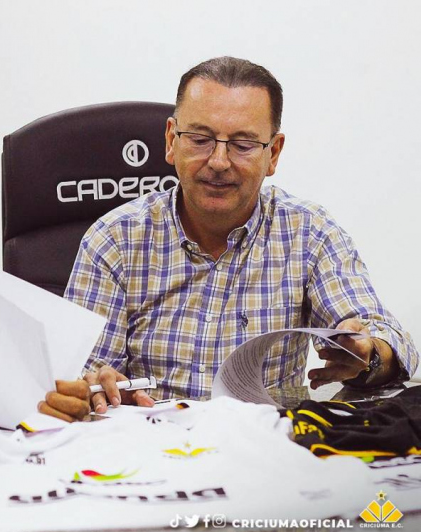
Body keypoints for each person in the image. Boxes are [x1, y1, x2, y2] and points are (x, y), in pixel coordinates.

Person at [39, 56, 419, 422]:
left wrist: (369, 356)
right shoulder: (115, 239)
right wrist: (88, 388)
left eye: (242, 144)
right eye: (200, 138)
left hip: (264, 455)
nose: (219, 161)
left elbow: (390, 342)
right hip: (147, 457)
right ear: (171, 140)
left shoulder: (309, 233)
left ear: (274, 153)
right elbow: (77, 377)